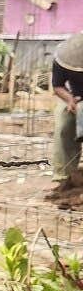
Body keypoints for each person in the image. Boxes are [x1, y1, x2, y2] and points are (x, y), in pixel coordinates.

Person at [50, 32, 83, 186]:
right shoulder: (62, 59)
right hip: (72, 97)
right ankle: (64, 175)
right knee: (63, 125)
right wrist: (70, 100)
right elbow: (57, 86)